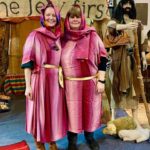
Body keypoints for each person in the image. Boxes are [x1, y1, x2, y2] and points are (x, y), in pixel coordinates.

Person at [21, 1, 67, 150]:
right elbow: (27, 63)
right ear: (43, 16)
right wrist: (28, 86)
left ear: (58, 17)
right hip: (39, 79)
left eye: (54, 15)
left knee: (53, 112)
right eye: (48, 15)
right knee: (38, 112)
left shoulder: (60, 37)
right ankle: (39, 144)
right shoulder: (34, 35)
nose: (51, 18)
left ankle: (52, 142)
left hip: (55, 81)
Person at [61, 5, 107, 150]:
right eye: (71, 17)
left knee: (90, 110)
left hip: (90, 82)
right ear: (67, 20)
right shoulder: (63, 39)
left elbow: (103, 58)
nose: (75, 19)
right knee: (72, 112)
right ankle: (72, 141)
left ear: (82, 19)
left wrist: (101, 80)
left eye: (77, 16)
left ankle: (90, 137)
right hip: (71, 85)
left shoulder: (92, 35)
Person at [106, 0, 145, 120]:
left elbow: (142, 42)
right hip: (119, 61)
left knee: (135, 90)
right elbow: (110, 26)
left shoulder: (136, 22)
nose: (127, 6)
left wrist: (143, 57)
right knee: (116, 89)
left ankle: (135, 121)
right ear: (120, 5)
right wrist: (126, 26)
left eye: (130, 4)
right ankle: (114, 121)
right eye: (125, 4)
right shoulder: (116, 21)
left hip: (134, 60)